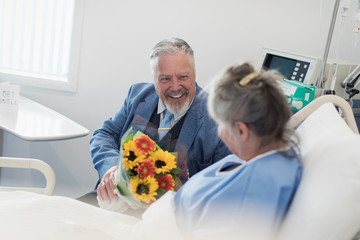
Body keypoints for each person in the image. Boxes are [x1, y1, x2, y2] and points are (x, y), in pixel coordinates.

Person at [80, 38, 230, 209]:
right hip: (112, 200)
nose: (175, 87)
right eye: (165, 79)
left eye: (183, 77)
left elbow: (224, 186)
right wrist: (110, 167)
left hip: (169, 219)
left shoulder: (218, 118)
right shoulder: (136, 95)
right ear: (154, 78)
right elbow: (105, 134)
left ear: (194, 73)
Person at [174, 62, 303, 240]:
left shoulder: (250, 193)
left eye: (219, 124)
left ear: (242, 131)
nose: (218, 131)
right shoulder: (262, 156)